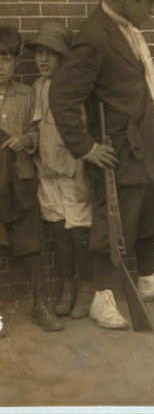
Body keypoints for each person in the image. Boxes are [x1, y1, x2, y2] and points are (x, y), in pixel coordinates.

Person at [50, 0, 154, 330]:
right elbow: (62, 97)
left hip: (146, 142)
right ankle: (103, 298)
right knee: (114, 225)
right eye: (148, 2)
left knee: (150, 215)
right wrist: (85, 147)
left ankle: (147, 280)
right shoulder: (95, 35)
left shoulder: (127, 28)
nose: (153, 10)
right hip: (119, 150)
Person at [28, 22, 94, 319]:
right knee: (58, 230)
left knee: (78, 231)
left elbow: (82, 134)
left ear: (64, 58)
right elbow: (38, 128)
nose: (43, 59)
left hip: (70, 173)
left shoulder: (71, 90)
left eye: (50, 54)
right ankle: (67, 286)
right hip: (48, 173)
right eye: (39, 53)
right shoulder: (39, 87)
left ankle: (85, 288)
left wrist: (81, 175)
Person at [0, 25, 63, 333]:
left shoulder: (27, 94)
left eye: (7, 59)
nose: (1, 66)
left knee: (31, 242)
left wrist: (26, 140)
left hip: (21, 179)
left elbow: (40, 132)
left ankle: (41, 304)